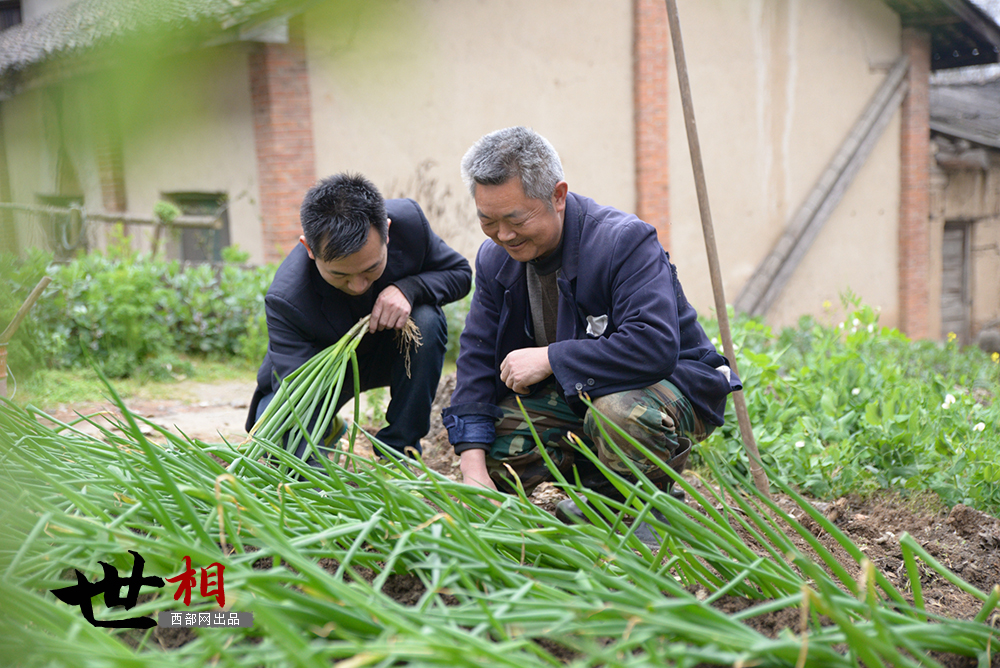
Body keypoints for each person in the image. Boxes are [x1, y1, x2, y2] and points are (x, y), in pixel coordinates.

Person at [442, 127, 740, 544]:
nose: (503, 235)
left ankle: (644, 513)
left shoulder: (622, 241)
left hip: (673, 388)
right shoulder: (496, 260)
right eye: (487, 220)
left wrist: (549, 358)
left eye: (515, 219)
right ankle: (598, 495)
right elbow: (476, 361)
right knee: (492, 449)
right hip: (577, 394)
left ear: (558, 196)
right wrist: (472, 469)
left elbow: (654, 346)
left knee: (619, 412)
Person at [247, 173, 472, 463]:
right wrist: (311, 479)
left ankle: (398, 451)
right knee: (282, 444)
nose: (358, 285)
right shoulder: (287, 299)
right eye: (340, 274)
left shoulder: (410, 224)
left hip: (390, 352)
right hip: (321, 373)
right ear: (309, 249)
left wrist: (408, 289)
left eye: (371, 268)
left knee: (426, 320)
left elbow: (460, 274)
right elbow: (296, 394)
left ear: (387, 233)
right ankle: (326, 430)